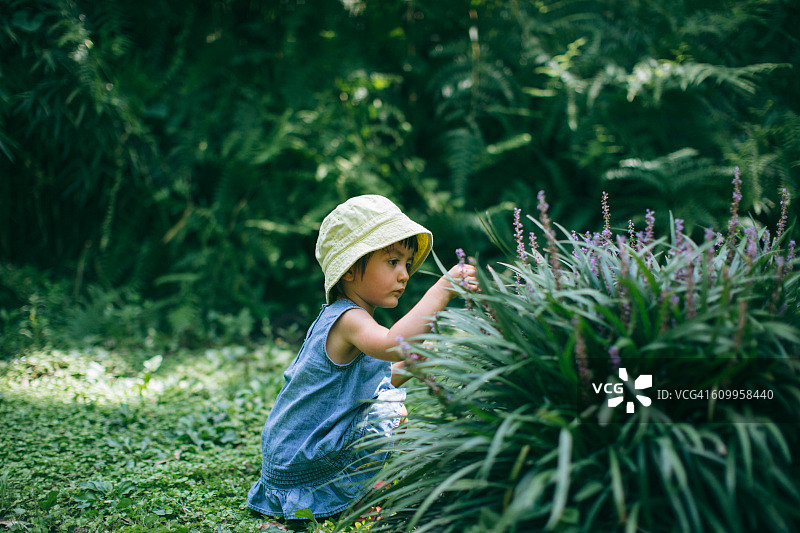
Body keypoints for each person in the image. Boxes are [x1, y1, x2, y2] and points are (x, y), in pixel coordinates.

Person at [246, 194, 477, 521]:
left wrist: (409, 366)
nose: (404, 274)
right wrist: (442, 290)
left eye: (407, 264)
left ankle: (362, 486)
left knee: (386, 401)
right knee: (393, 411)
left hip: (290, 456)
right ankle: (360, 493)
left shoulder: (347, 317)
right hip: (300, 460)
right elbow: (392, 344)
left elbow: (357, 387)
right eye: (393, 261)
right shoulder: (349, 320)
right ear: (352, 270)